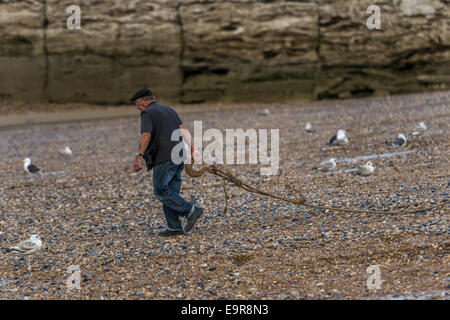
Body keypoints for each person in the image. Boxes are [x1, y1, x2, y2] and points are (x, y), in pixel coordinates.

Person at [130, 88, 204, 237]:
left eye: (137, 103)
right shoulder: (169, 109)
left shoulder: (148, 113)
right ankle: (174, 226)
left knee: (160, 190)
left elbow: (146, 135)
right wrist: (193, 149)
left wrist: (139, 156)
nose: (136, 107)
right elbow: (183, 130)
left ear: (145, 100)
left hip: (164, 157)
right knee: (171, 192)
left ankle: (191, 210)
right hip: (178, 155)